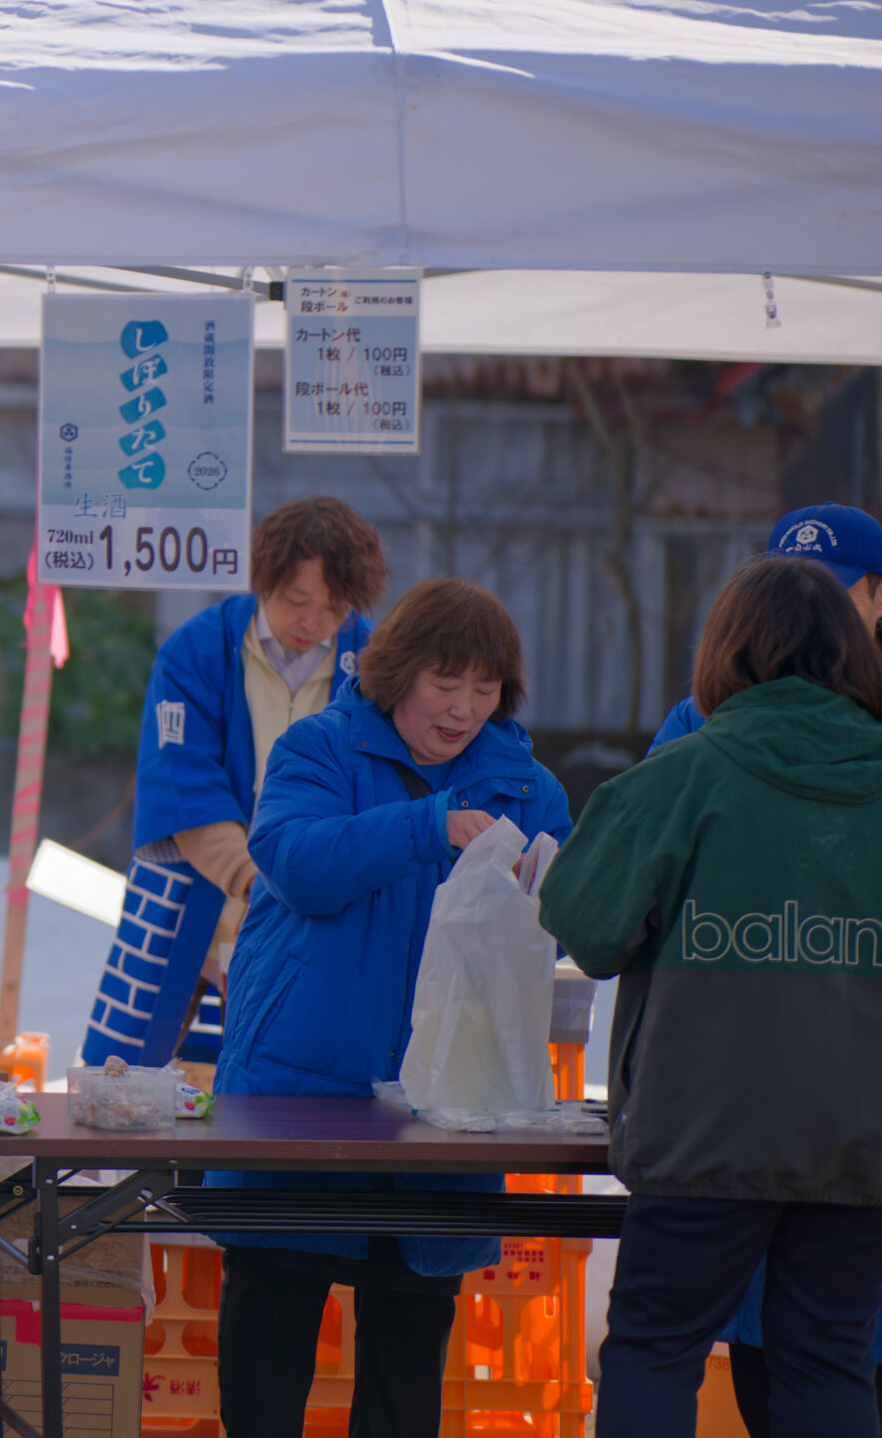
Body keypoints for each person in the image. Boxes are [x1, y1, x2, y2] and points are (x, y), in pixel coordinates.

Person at [543, 556, 882, 1438]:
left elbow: (584, 924)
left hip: (710, 1127)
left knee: (656, 1346)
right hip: (877, 1136)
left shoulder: (688, 772)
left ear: (728, 652)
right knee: (831, 1356)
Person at [212, 578, 571, 1438]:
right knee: (269, 1347)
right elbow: (297, 863)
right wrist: (426, 825)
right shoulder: (317, 750)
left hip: (445, 1111)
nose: (462, 708)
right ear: (396, 671)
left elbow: (556, 926)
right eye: (445, 682)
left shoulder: (529, 787)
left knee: (407, 1366)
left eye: (485, 689)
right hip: (298, 1097)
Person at [86, 496, 388, 1069]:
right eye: (298, 601)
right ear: (263, 581)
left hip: (324, 908)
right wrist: (260, 884)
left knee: (299, 1074)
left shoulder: (374, 663)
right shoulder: (195, 652)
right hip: (203, 892)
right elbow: (185, 791)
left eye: (333, 608)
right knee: (142, 1076)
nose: (313, 623)